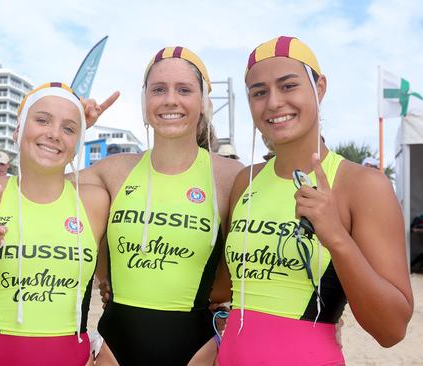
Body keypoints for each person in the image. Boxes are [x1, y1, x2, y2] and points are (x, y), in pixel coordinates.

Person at [217, 36, 413, 365]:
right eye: (259, 92)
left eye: (288, 85)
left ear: (319, 88)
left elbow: (392, 330)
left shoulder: (362, 185)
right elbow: (224, 290)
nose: (274, 103)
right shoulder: (244, 181)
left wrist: (336, 236)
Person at [77, 47, 242, 365]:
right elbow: (39, 186)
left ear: (203, 102)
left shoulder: (229, 175)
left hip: (196, 348)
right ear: (144, 102)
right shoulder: (114, 170)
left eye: (184, 89)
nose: (170, 100)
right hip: (115, 344)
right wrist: (73, 126)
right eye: (158, 89)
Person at [0, 82, 110, 365]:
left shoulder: (95, 202)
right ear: (17, 130)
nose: (54, 133)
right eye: (42, 120)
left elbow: (113, 287)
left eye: (68, 129)